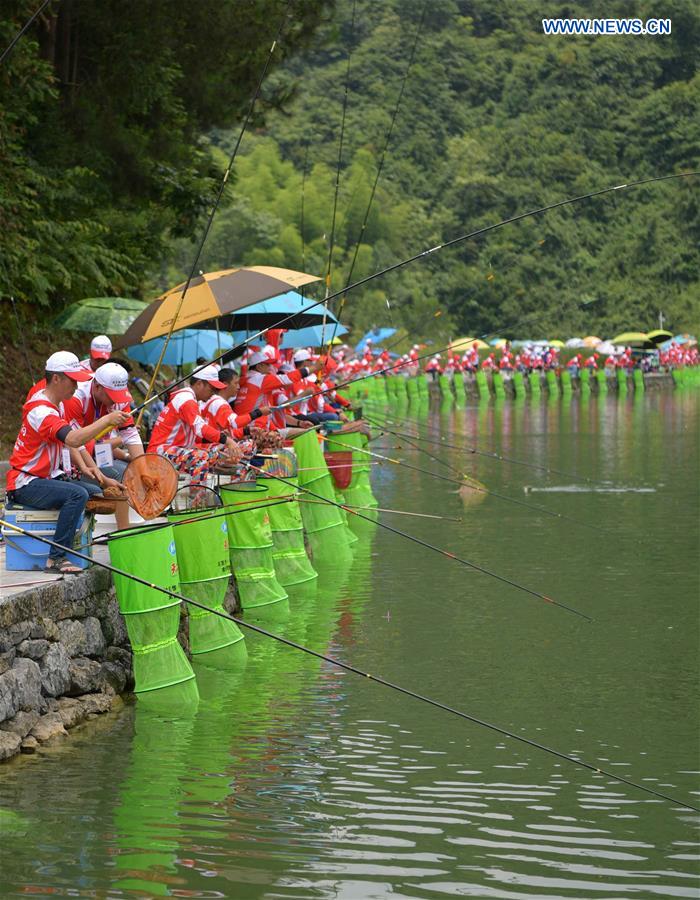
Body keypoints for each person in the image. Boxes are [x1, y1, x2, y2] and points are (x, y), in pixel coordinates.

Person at [6, 351, 129, 574]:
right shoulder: (41, 411)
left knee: (91, 490)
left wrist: (101, 479)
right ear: (56, 378)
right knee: (77, 495)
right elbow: (73, 438)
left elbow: (72, 445)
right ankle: (57, 558)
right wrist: (105, 421)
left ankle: (77, 547)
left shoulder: (59, 405)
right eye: (73, 380)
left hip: (45, 477)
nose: (76, 386)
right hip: (25, 482)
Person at [62, 362, 144, 529]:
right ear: (97, 387)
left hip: (93, 451)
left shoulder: (120, 400)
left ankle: (124, 532)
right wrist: (102, 478)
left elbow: (130, 434)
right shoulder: (76, 398)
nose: (116, 401)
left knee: (131, 472)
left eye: (119, 396)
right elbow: (75, 443)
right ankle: (122, 530)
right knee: (118, 477)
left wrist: (143, 469)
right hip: (67, 452)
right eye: (112, 396)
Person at [147, 364, 242, 486]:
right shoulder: (187, 400)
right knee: (200, 457)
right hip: (159, 452)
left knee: (215, 453)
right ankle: (197, 498)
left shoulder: (189, 398)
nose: (213, 393)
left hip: (174, 450)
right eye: (211, 389)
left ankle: (216, 484)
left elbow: (195, 435)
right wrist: (227, 440)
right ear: (199, 384)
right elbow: (201, 429)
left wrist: (218, 440)